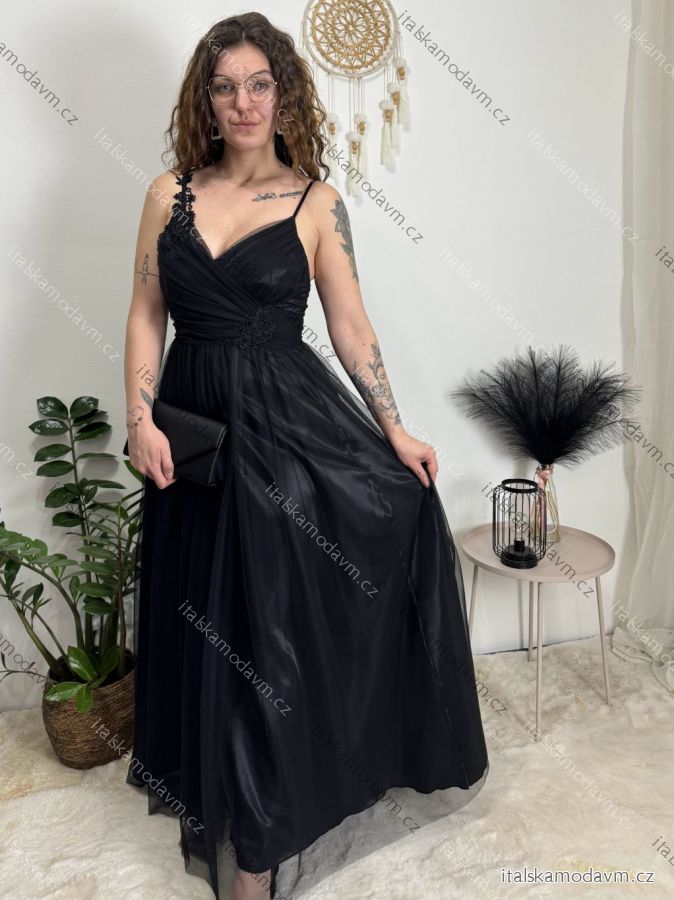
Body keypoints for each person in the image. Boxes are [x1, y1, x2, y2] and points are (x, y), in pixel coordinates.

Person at [123, 11, 488, 900]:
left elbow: (350, 328)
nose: (243, 102)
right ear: (206, 102)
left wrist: (395, 429)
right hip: (193, 435)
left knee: (265, 635)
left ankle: (257, 847)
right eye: (225, 87)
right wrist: (140, 419)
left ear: (283, 95)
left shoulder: (317, 204)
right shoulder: (168, 192)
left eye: (260, 84)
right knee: (210, 628)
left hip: (285, 425)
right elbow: (145, 313)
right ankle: (227, 797)